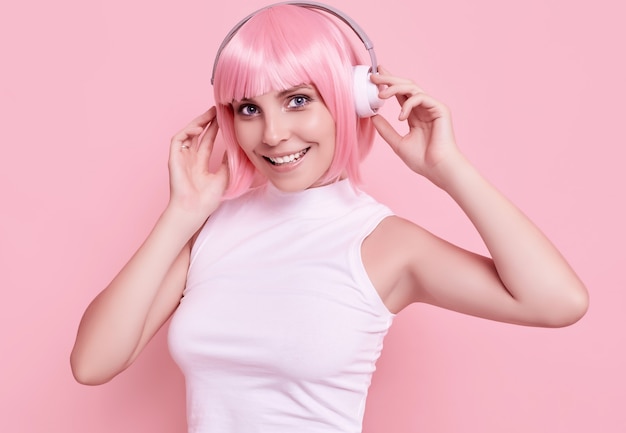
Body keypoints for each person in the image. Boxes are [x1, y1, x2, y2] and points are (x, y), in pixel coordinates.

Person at [70, 3, 588, 432]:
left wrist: (448, 169)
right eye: (249, 108)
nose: (272, 133)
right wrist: (180, 214)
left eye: (298, 100)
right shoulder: (208, 229)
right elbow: (92, 364)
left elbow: (558, 301)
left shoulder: (385, 244)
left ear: (352, 101)